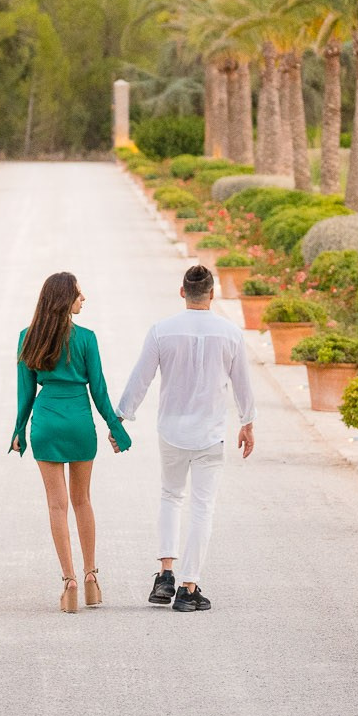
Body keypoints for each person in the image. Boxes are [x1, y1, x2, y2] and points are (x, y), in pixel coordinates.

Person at [116, 262, 256, 613]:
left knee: (170, 496)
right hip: (210, 434)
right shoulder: (229, 333)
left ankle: (165, 573)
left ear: (183, 292)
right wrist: (247, 422)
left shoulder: (162, 331)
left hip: (172, 431)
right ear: (212, 293)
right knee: (202, 507)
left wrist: (120, 417)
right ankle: (189, 587)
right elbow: (242, 384)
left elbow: (141, 378)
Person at [10, 270, 130, 613]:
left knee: (56, 505)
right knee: (82, 500)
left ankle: (69, 581)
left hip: (46, 422)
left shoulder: (26, 337)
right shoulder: (87, 338)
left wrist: (19, 430)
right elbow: (100, 389)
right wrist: (115, 428)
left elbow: (25, 393)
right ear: (66, 299)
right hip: (79, 422)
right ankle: (91, 575)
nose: (84, 298)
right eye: (79, 294)